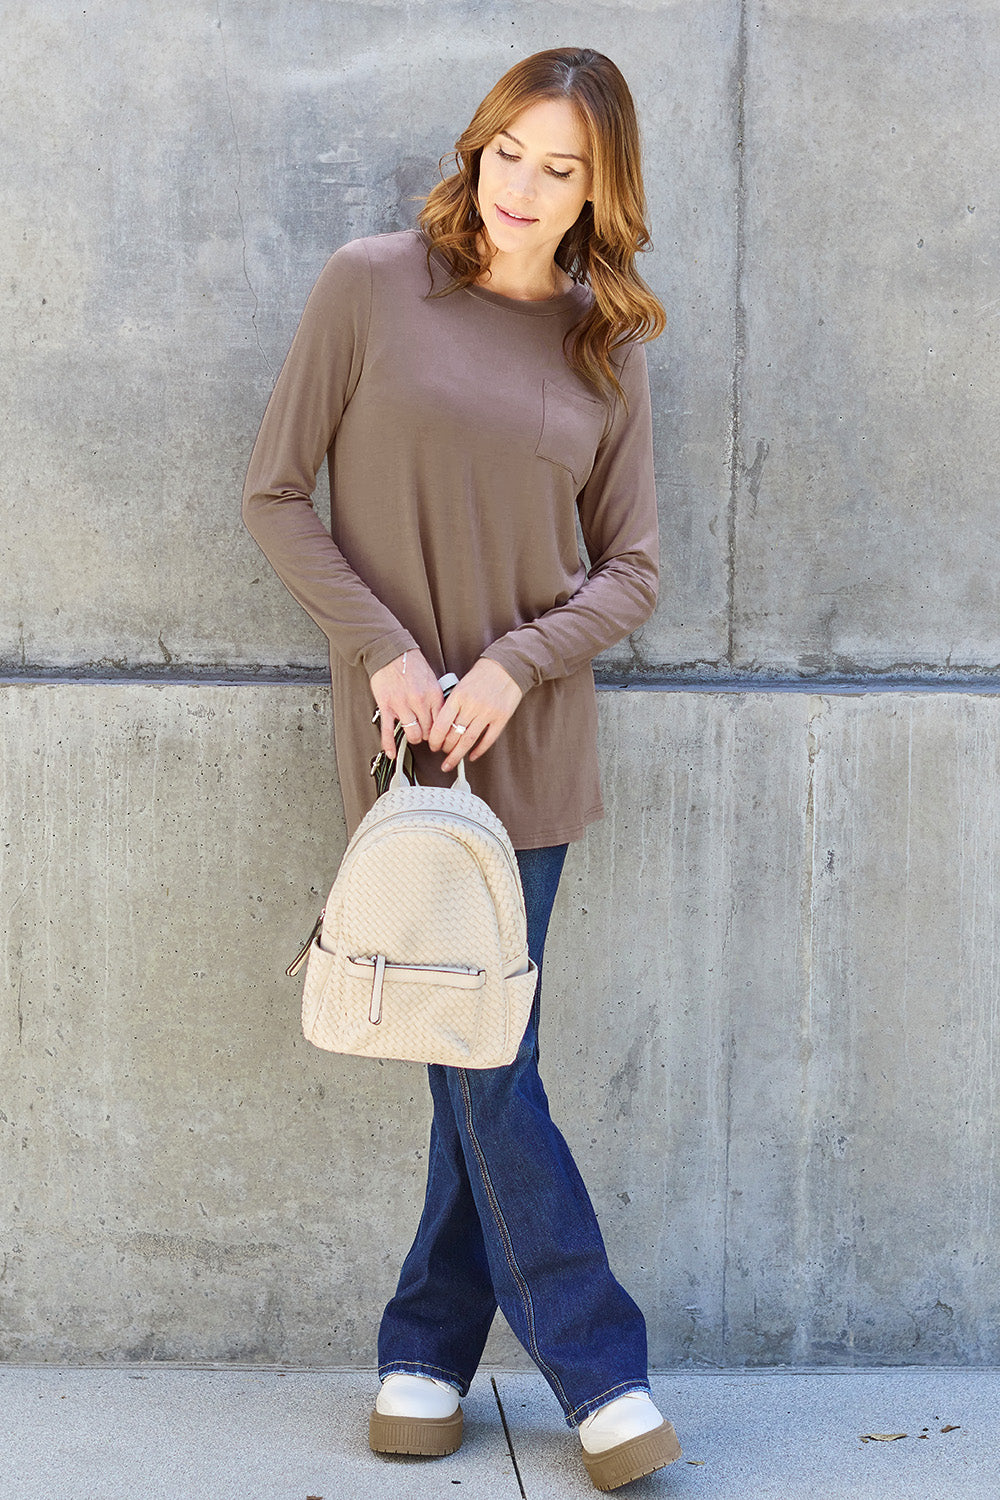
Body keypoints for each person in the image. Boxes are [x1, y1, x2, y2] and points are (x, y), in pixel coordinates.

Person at [243, 45, 678, 1494]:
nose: (525, 191)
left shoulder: (599, 347)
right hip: (398, 753)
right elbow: (276, 495)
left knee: (484, 1059)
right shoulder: (371, 287)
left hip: (529, 746)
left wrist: (512, 664)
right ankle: (597, 1370)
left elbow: (634, 571)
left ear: (599, 193)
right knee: (481, 1058)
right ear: (477, 148)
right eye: (511, 155)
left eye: (563, 172)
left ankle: (427, 1350)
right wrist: (382, 650)